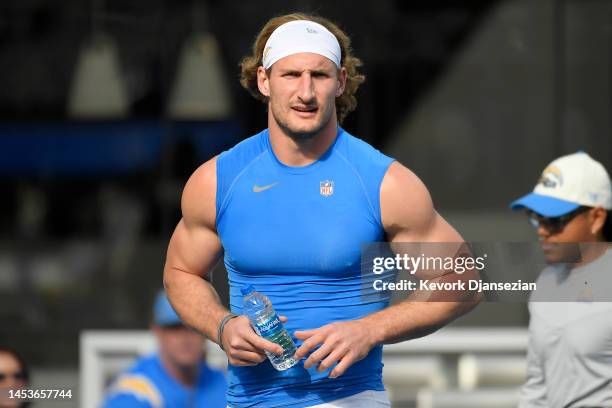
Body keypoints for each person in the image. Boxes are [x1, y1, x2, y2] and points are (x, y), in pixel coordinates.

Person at [163, 13, 479, 408]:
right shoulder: (218, 180)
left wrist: (370, 329)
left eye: (320, 75)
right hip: (247, 401)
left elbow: (463, 279)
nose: (306, 92)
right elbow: (180, 272)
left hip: (349, 398)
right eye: (291, 74)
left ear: (341, 82)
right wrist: (221, 326)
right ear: (264, 81)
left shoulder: (383, 183)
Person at [510, 151, 612, 407]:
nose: (542, 231)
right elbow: (536, 386)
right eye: (536, 219)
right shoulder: (545, 284)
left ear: (596, 218)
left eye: (555, 220)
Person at [102, 290, 227, 407]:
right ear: (157, 331)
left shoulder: (225, 384)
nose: (185, 338)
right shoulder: (134, 392)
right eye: (174, 328)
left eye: (193, 327)